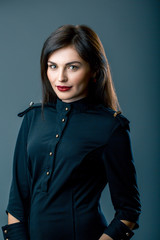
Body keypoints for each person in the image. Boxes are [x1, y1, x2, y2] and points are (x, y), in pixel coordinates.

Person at [1, 24, 141, 240]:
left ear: (94, 70)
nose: (60, 78)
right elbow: (17, 201)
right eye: (53, 66)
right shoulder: (32, 118)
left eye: (73, 67)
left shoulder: (111, 127)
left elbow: (129, 210)